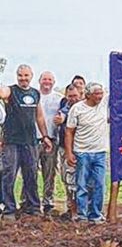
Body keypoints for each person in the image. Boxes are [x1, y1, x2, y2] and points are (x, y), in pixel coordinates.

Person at [0, 64, 51, 220]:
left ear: (31, 76)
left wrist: (45, 136)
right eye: (20, 75)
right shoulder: (11, 91)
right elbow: (2, 93)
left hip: (30, 141)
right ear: (17, 76)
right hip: (11, 141)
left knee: (31, 174)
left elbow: (39, 117)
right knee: (9, 175)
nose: (23, 78)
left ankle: (33, 207)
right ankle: (9, 209)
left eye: (26, 75)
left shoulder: (35, 93)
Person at [65, 82, 108, 223]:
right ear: (88, 95)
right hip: (82, 152)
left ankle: (95, 214)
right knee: (82, 185)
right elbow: (69, 132)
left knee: (99, 184)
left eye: (101, 93)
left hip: (100, 152)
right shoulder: (77, 109)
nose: (100, 96)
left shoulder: (103, 105)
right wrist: (69, 153)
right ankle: (82, 215)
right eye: (96, 94)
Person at [35, 71, 63, 213]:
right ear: (39, 81)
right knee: (30, 172)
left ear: (54, 82)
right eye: (44, 79)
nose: (47, 82)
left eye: (50, 79)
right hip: (33, 140)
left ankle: (48, 202)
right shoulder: (34, 96)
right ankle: (28, 201)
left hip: (51, 140)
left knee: (49, 173)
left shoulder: (59, 99)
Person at [54, 84, 81, 218]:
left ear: (80, 94)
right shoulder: (64, 107)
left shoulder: (84, 107)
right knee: (68, 180)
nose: (73, 99)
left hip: (81, 149)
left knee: (82, 180)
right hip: (65, 148)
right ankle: (72, 209)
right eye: (70, 96)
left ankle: (83, 208)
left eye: (75, 96)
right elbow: (60, 118)